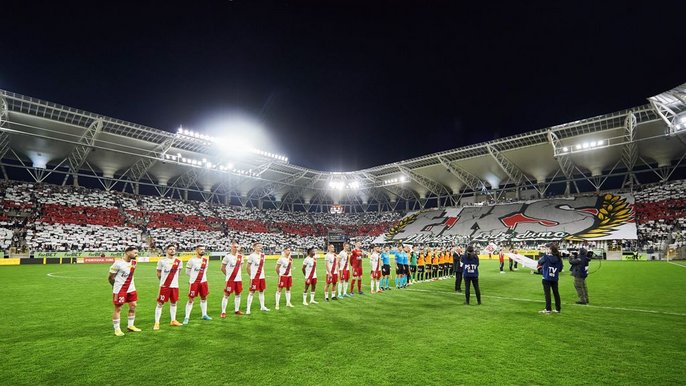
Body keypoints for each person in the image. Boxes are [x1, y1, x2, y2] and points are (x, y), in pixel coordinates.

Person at [108, 246, 141, 336]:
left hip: (131, 289)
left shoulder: (134, 262)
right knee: (118, 308)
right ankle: (117, 329)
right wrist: (114, 286)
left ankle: (130, 326)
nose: (136, 254)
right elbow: (111, 277)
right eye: (135, 252)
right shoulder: (118, 263)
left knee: (133, 306)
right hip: (120, 289)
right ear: (127, 252)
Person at [154, 244, 183, 330]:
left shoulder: (179, 261)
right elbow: (158, 273)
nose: (172, 250)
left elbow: (179, 273)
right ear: (167, 250)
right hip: (165, 286)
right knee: (160, 303)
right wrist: (162, 282)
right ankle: (157, 322)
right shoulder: (162, 261)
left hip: (175, 286)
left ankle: (173, 320)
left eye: (174, 249)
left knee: (174, 303)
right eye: (170, 249)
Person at [183, 245, 211, 324]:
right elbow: (187, 272)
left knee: (204, 297)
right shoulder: (192, 260)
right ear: (196, 250)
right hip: (194, 282)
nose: (203, 251)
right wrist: (193, 278)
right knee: (191, 299)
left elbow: (205, 271)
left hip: (203, 282)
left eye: (203, 250)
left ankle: (204, 314)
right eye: (201, 249)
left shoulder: (206, 260)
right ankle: (187, 317)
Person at [220, 240, 244, 317]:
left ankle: (237, 310)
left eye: (237, 247)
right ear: (231, 247)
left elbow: (241, 267)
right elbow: (222, 268)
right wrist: (228, 275)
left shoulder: (241, 257)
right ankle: (223, 312)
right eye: (234, 247)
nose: (236, 248)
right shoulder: (227, 257)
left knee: (238, 294)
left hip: (238, 279)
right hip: (230, 280)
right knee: (226, 295)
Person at [538, 243, 564, 314]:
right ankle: (558, 309)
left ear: (551, 250)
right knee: (556, 293)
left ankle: (548, 309)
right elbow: (560, 269)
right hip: (554, 278)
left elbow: (539, 262)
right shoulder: (559, 258)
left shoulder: (546, 257)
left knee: (547, 294)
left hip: (546, 277)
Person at [246, 241, 270, 315]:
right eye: (259, 246)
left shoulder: (263, 255)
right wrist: (251, 276)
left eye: (261, 246)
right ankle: (248, 309)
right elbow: (247, 267)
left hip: (262, 276)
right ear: (254, 247)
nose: (260, 247)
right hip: (254, 277)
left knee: (262, 291)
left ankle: (262, 306)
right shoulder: (251, 256)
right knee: (251, 292)